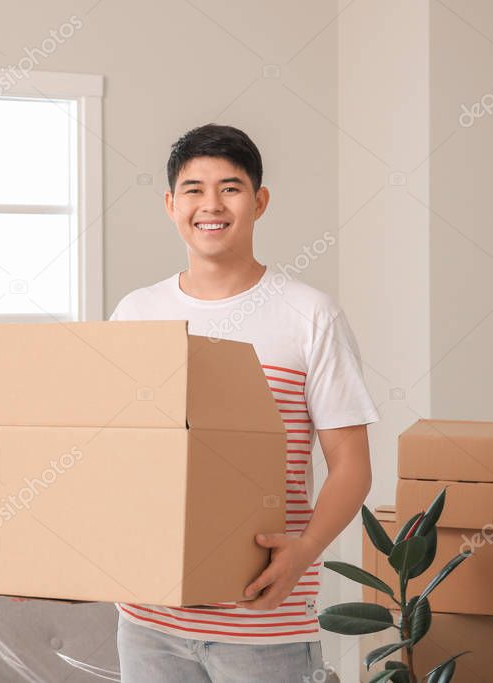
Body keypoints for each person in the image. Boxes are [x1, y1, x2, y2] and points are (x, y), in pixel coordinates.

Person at [108, 123, 380, 682]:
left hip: (265, 620)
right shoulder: (136, 313)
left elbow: (352, 465)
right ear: (170, 204)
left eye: (230, 188)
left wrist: (304, 551)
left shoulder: (309, 314)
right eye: (193, 189)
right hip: (148, 622)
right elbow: (110, 454)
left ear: (259, 201)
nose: (211, 205)